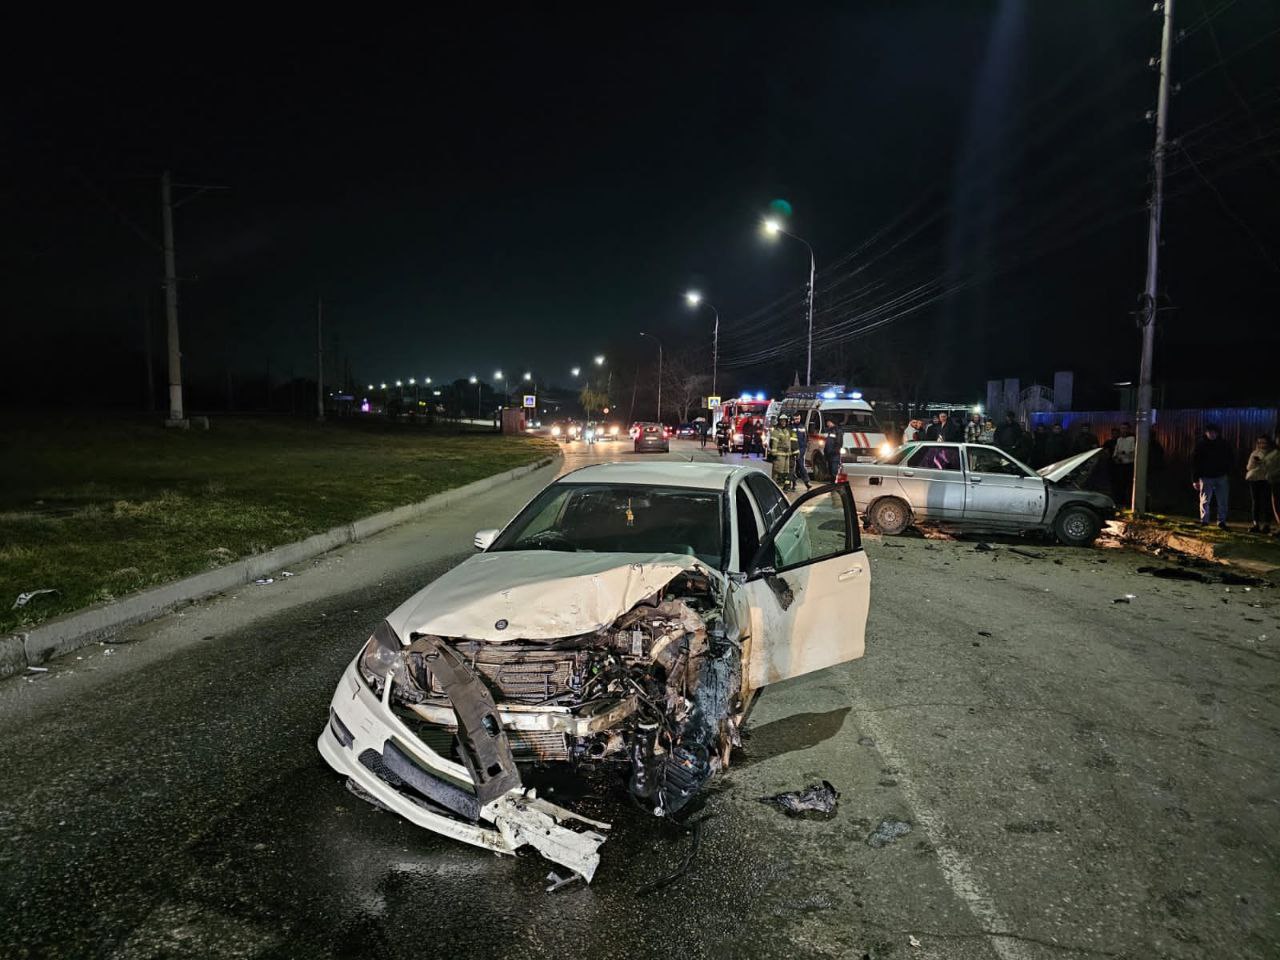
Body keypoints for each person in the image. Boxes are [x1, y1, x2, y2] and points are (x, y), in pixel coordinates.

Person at [1192, 423, 1233, 529]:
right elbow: (1195, 462)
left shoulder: (1224, 444)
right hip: (1207, 477)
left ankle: (1220, 521)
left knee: (1222, 500)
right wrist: (1195, 479)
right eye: (1210, 432)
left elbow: (1230, 459)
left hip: (1220, 476)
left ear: (1217, 433)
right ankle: (1205, 520)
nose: (1212, 434)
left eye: (1214, 432)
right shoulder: (1201, 445)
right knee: (1206, 500)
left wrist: (1227, 472)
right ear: (1206, 433)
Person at [1245, 435, 1278, 533]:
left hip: (1266, 480)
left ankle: (1267, 524)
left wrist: (1263, 463)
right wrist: (1254, 463)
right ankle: (1256, 524)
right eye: (1260, 442)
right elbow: (1248, 467)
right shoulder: (1255, 453)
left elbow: (1273, 467)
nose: (1262, 445)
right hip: (1255, 480)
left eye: (1264, 442)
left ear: (1268, 443)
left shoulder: (1273, 454)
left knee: (1267, 502)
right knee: (1256, 502)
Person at [1109, 422, 1136, 507]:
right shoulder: (1119, 439)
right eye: (1122, 428)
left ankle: (1129, 502)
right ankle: (1121, 502)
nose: (1123, 430)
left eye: (1125, 428)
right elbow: (1115, 452)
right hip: (1120, 465)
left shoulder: (1132, 439)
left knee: (1129, 485)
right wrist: (1116, 458)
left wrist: (1124, 453)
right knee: (1120, 485)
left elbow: (1133, 452)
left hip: (1129, 465)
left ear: (1129, 429)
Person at [772, 416, 797, 490]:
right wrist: (774, 454)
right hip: (779, 454)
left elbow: (789, 442)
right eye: (782, 421)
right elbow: (774, 443)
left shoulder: (786, 431)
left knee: (785, 472)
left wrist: (791, 452)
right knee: (777, 471)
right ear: (779, 422)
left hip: (787, 455)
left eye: (785, 421)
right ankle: (773, 486)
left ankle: (784, 486)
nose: (783, 423)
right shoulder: (776, 431)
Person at [793, 416, 811, 490]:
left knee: (800, 466)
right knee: (793, 468)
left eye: (798, 418)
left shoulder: (803, 427)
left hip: (801, 450)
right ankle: (794, 483)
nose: (797, 420)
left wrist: (804, 448)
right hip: (793, 450)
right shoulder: (791, 427)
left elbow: (806, 438)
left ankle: (807, 482)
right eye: (795, 419)